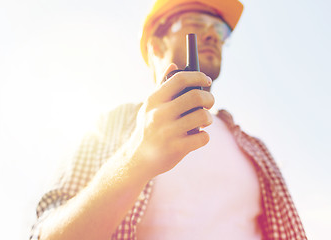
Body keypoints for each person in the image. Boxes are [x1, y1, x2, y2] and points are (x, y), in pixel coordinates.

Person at [30, 0, 307, 239]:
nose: (212, 35)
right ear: (156, 45)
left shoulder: (255, 150)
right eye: (197, 23)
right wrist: (134, 159)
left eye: (219, 30)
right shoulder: (108, 128)